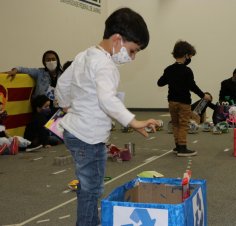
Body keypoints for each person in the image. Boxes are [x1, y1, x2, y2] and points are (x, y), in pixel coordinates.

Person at [55, 7, 159, 226]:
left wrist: (65, 106)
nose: (133, 57)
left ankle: (91, 220)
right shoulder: (106, 65)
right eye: (133, 50)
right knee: (92, 190)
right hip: (89, 139)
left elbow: (63, 83)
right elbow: (107, 99)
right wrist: (133, 120)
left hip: (74, 132)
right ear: (117, 40)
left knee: (87, 187)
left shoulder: (84, 55)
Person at [157, 40, 211, 157]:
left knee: (175, 124)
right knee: (183, 124)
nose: (190, 59)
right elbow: (193, 86)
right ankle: (182, 147)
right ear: (186, 55)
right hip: (184, 102)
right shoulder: (187, 71)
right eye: (190, 56)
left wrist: (170, 77)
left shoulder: (169, 69)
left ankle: (177, 146)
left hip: (172, 102)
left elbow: (160, 83)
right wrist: (203, 95)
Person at [5, 50, 63, 115]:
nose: (51, 62)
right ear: (44, 62)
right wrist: (15, 70)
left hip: (58, 108)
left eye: (53, 59)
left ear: (57, 60)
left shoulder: (63, 74)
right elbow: (22, 69)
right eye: (48, 60)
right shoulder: (39, 72)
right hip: (42, 108)